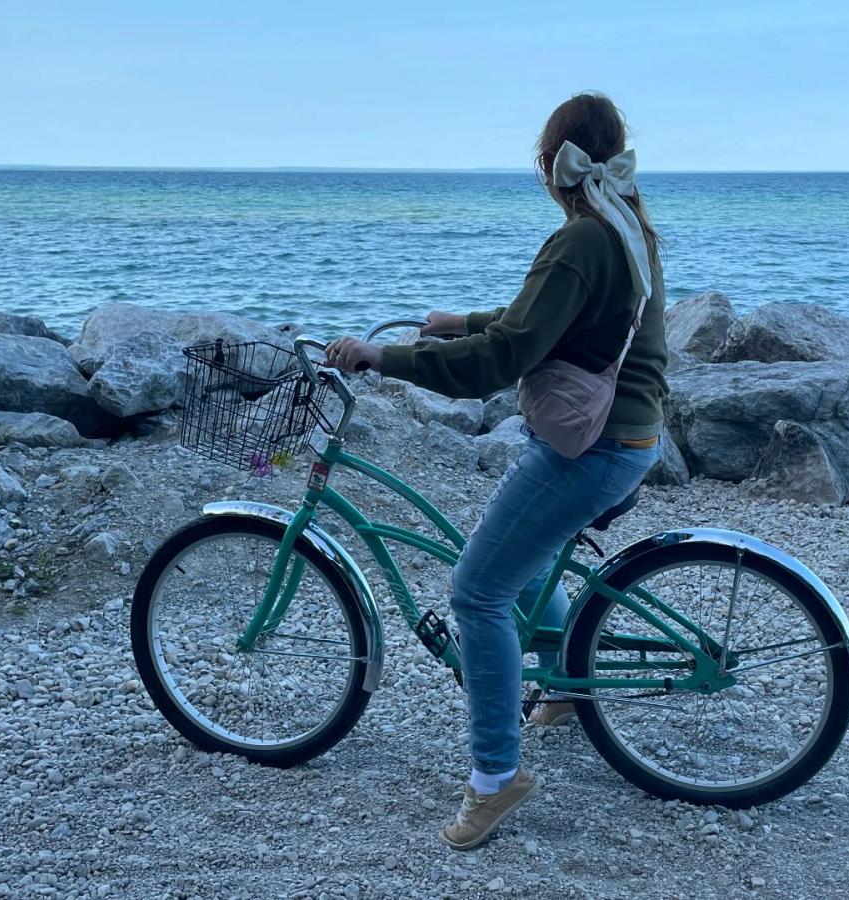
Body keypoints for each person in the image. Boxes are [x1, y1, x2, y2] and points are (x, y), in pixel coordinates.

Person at [325, 91, 669, 850]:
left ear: (553, 165)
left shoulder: (582, 240)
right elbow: (536, 322)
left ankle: (495, 779)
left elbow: (505, 358)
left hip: (593, 448)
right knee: (529, 556)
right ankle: (567, 681)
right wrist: (464, 322)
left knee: (476, 592)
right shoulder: (625, 224)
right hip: (631, 438)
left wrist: (389, 358)